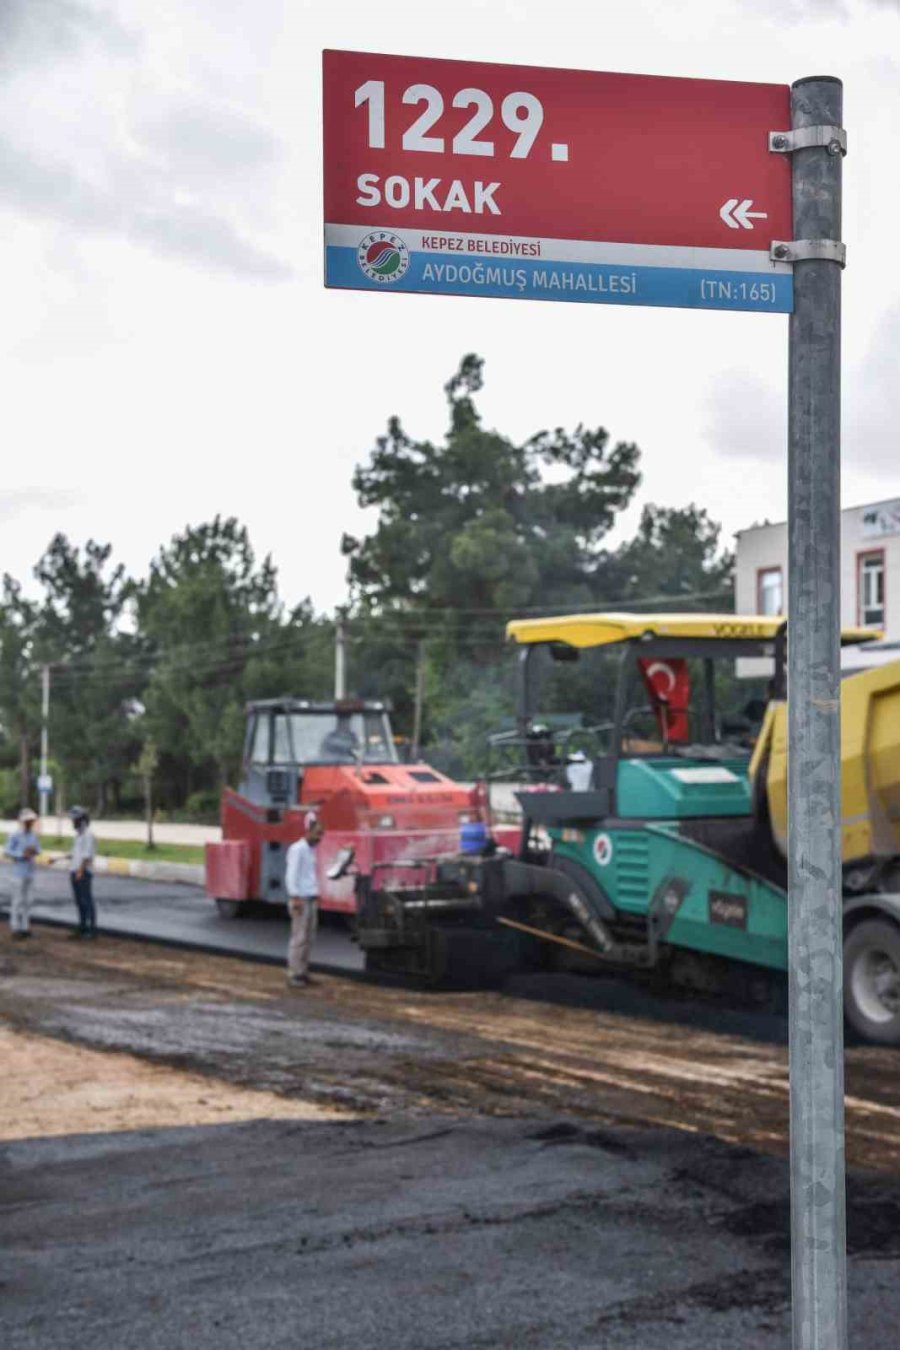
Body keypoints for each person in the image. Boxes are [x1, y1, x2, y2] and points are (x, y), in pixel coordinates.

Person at [283, 811, 323, 987]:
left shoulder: (311, 850)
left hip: (311, 897)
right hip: (301, 899)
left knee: (308, 937)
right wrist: (295, 896)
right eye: (318, 833)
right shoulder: (297, 849)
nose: (320, 837)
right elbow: (291, 875)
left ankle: (303, 971)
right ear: (308, 830)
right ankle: (294, 974)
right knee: (299, 937)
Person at [4, 808, 41, 940]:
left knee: (28, 901)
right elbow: (7, 851)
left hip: (30, 871)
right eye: (28, 821)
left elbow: (39, 849)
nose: (30, 823)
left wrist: (34, 850)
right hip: (18, 872)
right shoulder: (15, 835)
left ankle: (25, 927)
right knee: (17, 900)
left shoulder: (33, 835)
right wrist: (21, 854)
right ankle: (15, 927)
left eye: (31, 821)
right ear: (22, 821)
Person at [68, 806, 97, 939]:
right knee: (79, 901)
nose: (72, 822)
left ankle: (91, 929)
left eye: (74, 820)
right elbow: (75, 853)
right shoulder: (78, 836)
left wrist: (80, 871)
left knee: (86, 900)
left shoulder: (88, 835)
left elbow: (87, 855)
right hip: (75, 870)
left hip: (83, 872)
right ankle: (82, 927)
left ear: (81, 820)